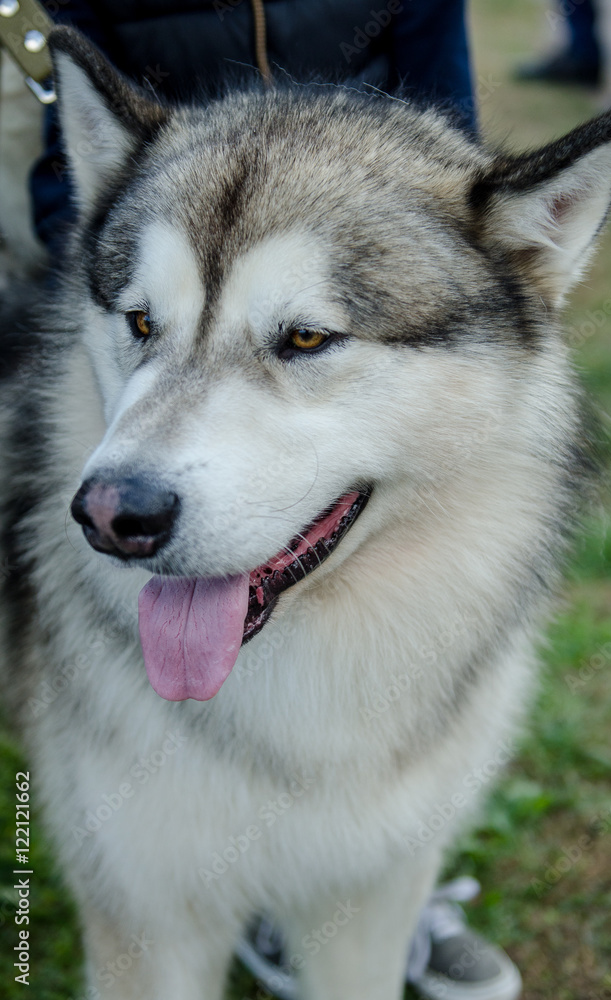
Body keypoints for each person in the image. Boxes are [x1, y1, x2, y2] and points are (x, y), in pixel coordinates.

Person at [25, 3, 521, 998]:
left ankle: (387, 896)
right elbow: (75, 201)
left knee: (372, 896)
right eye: (136, 325)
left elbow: (448, 134)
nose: (126, 489)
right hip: (177, 178)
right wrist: (138, 235)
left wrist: (414, 219)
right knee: (148, 933)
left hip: (377, 214)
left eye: (300, 342)